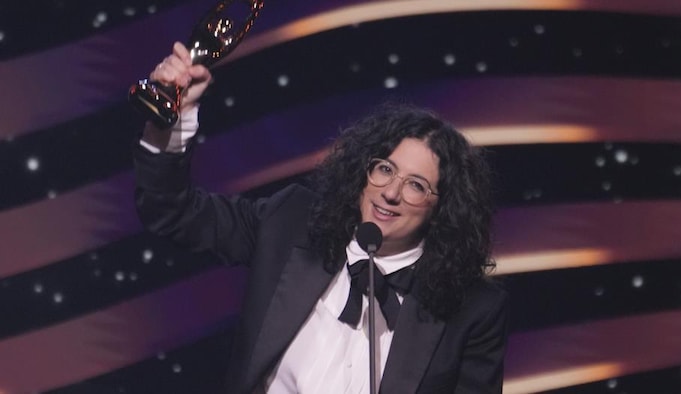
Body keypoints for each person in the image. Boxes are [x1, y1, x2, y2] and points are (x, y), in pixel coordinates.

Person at [133, 42, 509, 394]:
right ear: (364, 169)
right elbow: (171, 210)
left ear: (442, 208)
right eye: (384, 169)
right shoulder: (291, 222)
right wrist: (173, 119)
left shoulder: (472, 310)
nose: (391, 192)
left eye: (416, 185)